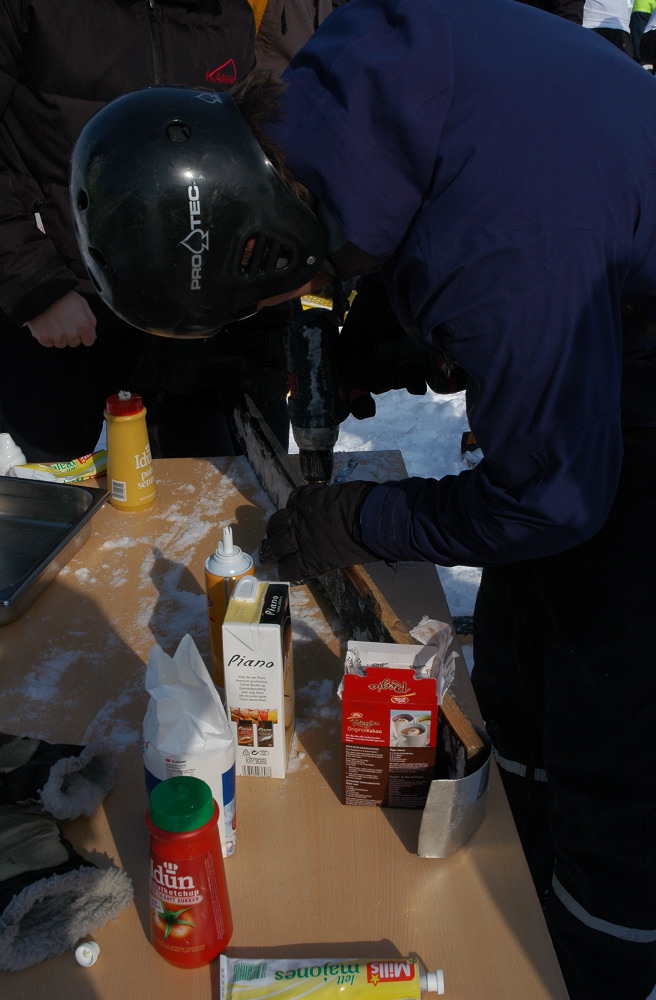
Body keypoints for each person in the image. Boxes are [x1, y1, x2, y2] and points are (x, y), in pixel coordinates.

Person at [69, 1, 656, 997]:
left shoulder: (506, 254)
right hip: (587, 265)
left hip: (631, 357)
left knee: (614, 695)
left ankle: (594, 954)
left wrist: (363, 522)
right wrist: (382, 313)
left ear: (266, 243)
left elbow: (553, 497)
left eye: (253, 299)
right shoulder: (344, 78)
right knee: (526, 642)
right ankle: (526, 849)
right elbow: (447, 173)